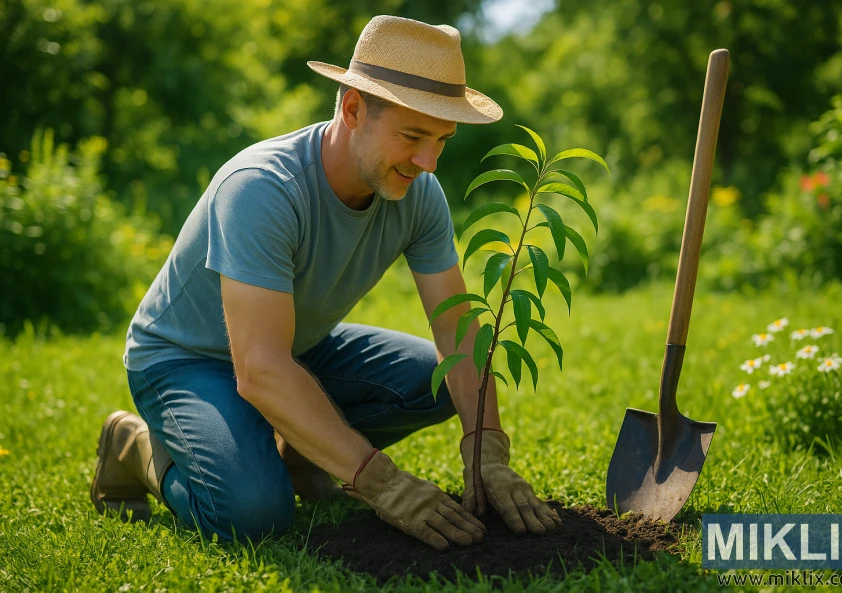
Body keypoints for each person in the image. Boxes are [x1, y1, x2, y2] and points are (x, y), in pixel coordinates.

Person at [90, 14, 561, 551]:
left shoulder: (418, 192)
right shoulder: (263, 188)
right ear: (353, 107)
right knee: (253, 514)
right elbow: (260, 367)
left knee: (435, 378)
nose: (428, 162)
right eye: (412, 136)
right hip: (186, 361)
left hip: (297, 349)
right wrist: (382, 483)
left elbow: (457, 330)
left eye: (442, 140)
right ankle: (134, 446)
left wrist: (487, 450)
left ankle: (303, 455)